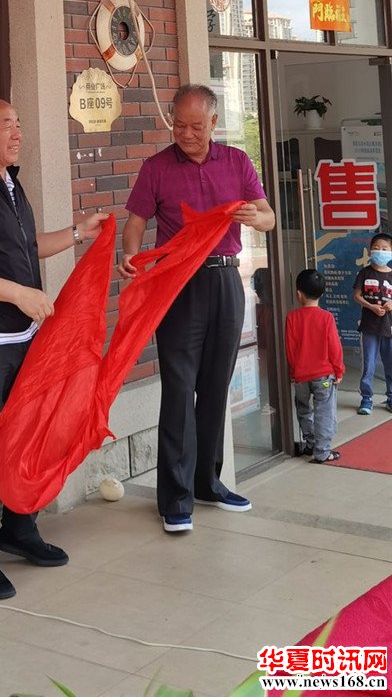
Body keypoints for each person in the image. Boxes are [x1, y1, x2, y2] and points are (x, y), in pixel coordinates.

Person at [0, 98, 107, 599]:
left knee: (25, 437)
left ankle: (18, 529)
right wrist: (19, 294)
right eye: (6, 124)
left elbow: (25, 249)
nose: (17, 132)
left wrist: (77, 233)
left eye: (19, 123)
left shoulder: (12, 185)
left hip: (22, 339)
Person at [117, 84, 275, 533]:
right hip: (177, 283)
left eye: (195, 126)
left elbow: (268, 216)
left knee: (215, 385)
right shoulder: (157, 168)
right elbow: (135, 223)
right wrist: (129, 255)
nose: (186, 134)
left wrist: (255, 217)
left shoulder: (237, 162)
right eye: (179, 125)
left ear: (213, 122)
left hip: (225, 279)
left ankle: (208, 482)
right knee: (179, 387)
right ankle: (175, 498)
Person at [285, 269, 344, 464]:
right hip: (324, 375)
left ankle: (310, 442)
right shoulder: (326, 317)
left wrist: (293, 371)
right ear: (322, 293)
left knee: (303, 409)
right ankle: (322, 451)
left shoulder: (292, 317)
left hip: (300, 376)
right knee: (324, 411)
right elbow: (334, 347)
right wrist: (339, 370)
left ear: (298, 294)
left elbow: (290, 348)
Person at [353, 232, 392, 415]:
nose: (380, 251)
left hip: (389, 327)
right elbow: (357, 296)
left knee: (390, 364)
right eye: (376, 248)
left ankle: (390, 397)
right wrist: (371, 307)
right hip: (369, 326)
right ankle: (366, 399)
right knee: (368, 365)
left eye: (385, 249)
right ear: (370, 251)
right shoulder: (364, 272)